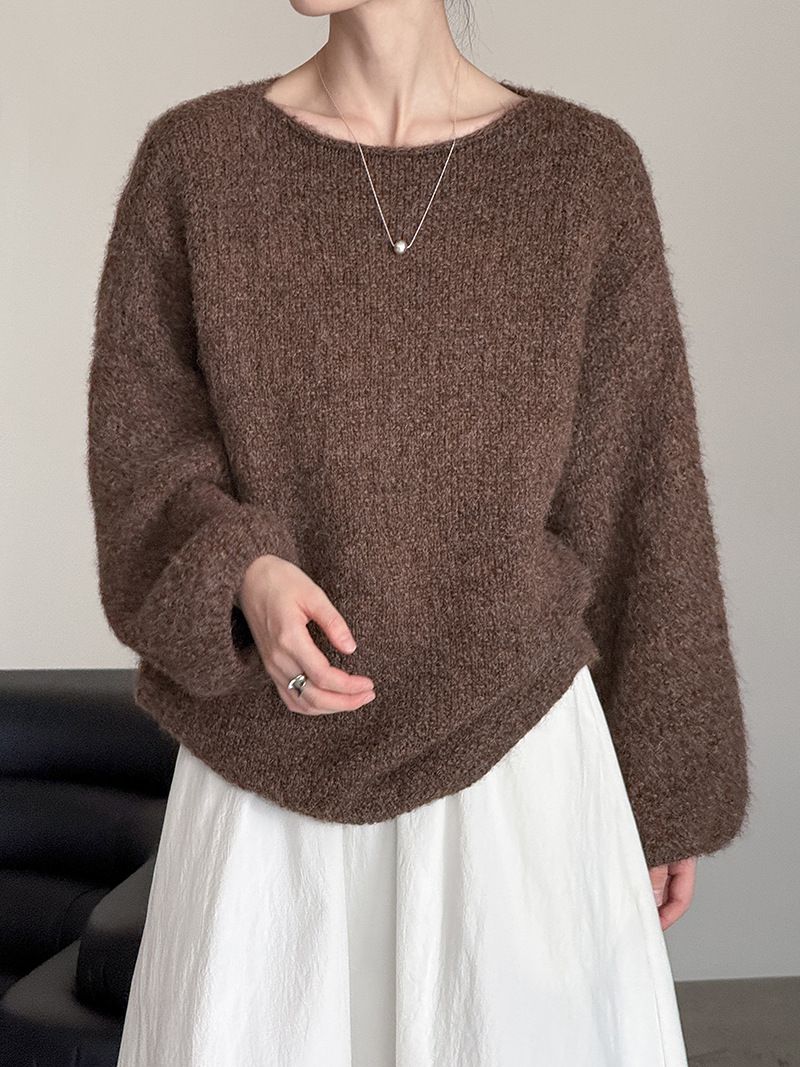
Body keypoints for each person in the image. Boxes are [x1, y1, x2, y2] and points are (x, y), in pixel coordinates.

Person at [86, 2, 751, 1064]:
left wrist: (666, 787)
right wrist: (242, 571)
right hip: (266, 789)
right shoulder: (196, 162)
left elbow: (640, 491)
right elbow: (141, 457)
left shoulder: (582, 173)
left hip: (517, 779)